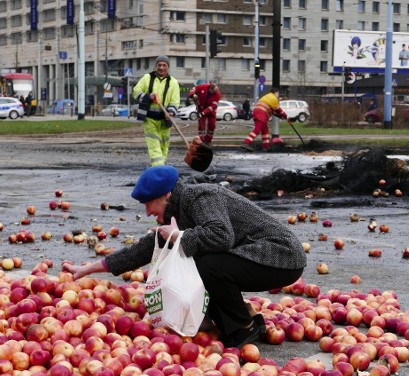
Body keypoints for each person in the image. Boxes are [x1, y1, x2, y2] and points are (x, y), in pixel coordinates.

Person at [62, 165, 307, 348]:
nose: (147, 212)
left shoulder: (200, 197)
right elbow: (144, 249)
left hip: (280, 256)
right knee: (198, 261)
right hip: (256, 257)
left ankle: (242, 328)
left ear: (166, 195)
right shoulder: (177, 211)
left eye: (149, 204)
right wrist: (88, 269)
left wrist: (179, 236)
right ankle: (248, 319)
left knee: (204, 264)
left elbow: (222, 236)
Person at [133, 55, 180, 166]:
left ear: (168, 67)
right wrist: (148, 96)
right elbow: (136, 92)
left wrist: (171, 112)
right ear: (155, 66)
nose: (161, 68)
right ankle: (159, 168)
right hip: (150, 119)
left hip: (165, 121)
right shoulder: (146, 78)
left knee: (163, 147)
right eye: (159, 65)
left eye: (164, 65)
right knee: (154, 146)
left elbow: (175, 101)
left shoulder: (173, 83)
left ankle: (158, 169)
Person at [241, 88, 287, 152]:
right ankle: (246, 143)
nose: (278, 95)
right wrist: (285, 116)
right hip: (261, 114)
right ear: (275, 93)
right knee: (257, 129)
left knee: (265, 130)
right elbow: (278, 110)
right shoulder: (273, 98)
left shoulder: (267, 96)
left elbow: (274, 112)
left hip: (258, 113)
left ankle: (266, 146)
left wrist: (282, 116)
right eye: (278, 94)